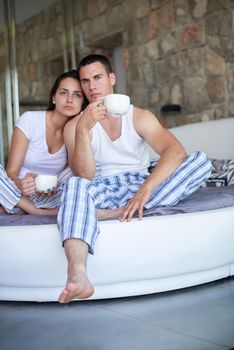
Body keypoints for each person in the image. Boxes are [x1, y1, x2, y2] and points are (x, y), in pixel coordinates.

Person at [57, 54, 212, 303]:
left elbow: (175, 151)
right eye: (85, 81)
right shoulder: (74, 125)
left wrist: (146, 189)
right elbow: (84, 175)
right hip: (103, 187)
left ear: (112, 79)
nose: (91, 87)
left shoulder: (137, 115)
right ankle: (78, 274)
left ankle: (119, 211)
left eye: (97, 78)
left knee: (201, 161)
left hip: (141, 184)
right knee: (74, 186)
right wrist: (83, 128)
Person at [0, 70, 86, 215]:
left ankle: (18, 207)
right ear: (53, 97)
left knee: (80, 171)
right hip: (16, 188)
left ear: (83, 103)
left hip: (48, 197)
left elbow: (70, 175)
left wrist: (53, 187)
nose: (70, 100)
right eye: (63, 93)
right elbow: (11, 173)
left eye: (77, 95)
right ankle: (30, 209)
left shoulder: (76, 131)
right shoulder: (30, 120)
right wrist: (21, 184)